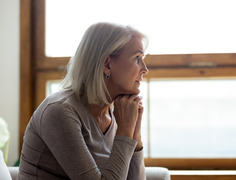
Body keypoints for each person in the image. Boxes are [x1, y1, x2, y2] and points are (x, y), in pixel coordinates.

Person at [17, 22, 149, 180]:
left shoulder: (117, 112)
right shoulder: (60, 111)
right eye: (137, 58)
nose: (145, 69)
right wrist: (126, 131)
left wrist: (135, 133)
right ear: (107, 64)